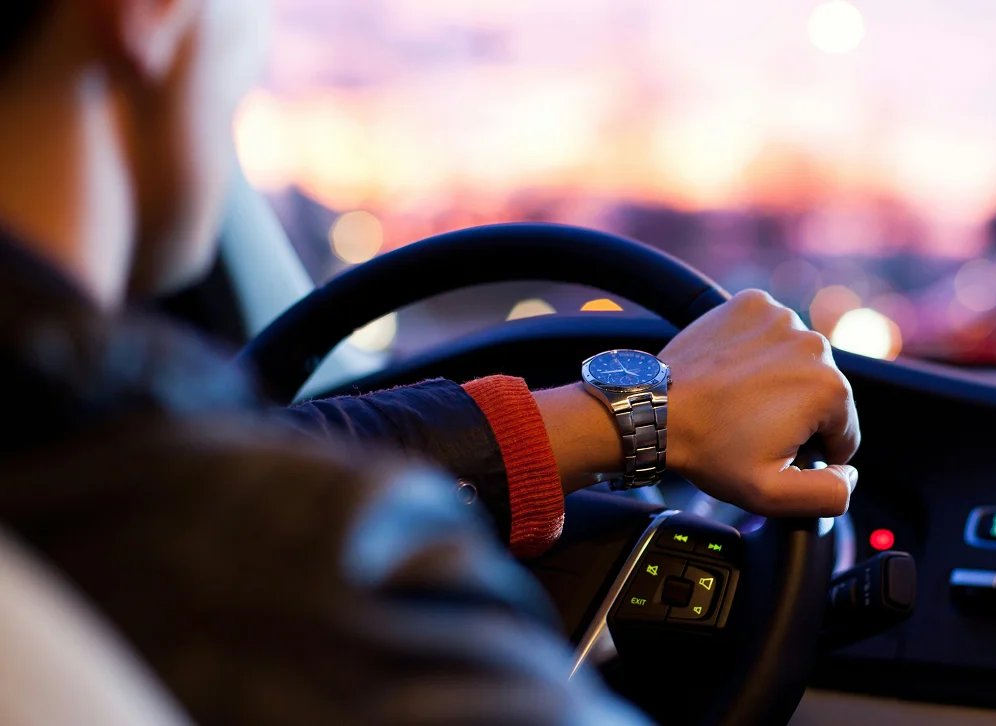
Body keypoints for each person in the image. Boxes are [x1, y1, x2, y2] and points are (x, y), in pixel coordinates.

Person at [0, 0, 861, 724]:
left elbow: (230, 445)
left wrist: (628, 417)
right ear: (149, 12)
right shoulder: (316, 591)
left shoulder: (76, 467)